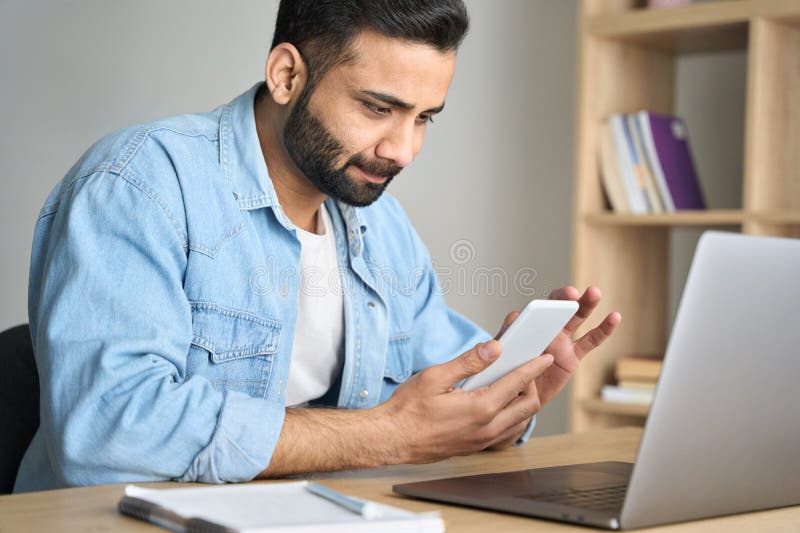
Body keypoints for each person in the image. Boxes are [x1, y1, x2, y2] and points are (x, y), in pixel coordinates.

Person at [14, 0, 620, 493]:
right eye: (378, 108)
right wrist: (385, 435)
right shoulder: (139, 185)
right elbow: (108, 436)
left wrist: (502, 404)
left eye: (424, 118)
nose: (402, 150)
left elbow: (441, 394)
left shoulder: (380, 226)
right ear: (287, 75)